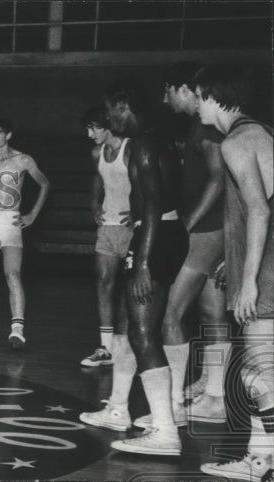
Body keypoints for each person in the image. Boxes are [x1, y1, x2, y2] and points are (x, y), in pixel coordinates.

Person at [194, 63, 274, 482]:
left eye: (198, 95)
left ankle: (265, 463)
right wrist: (237, 258)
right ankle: (259, 462)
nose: (195, 105)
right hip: (263, 262)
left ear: (213, 95)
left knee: (259, 374)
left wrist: (249, 280)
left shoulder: (237, 142)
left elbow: (260, 208)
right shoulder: (258, 131)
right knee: (261, 371)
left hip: (267, 271)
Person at [102, 78, 188, 456]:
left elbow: (152, 203)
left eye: (110, 111)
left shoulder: (143, 145)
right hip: (165, 230)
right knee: (136, 323)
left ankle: (166, 432)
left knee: (141, 331)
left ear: (124, 107)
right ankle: (131, 412)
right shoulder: (160, 138)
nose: (108, 119)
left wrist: (143, 264)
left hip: (156, 234)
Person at [153, 61, 230, 428]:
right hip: (215, 232)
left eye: (168, 91)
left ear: (184, 89)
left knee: (170, 313)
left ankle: (170, 413)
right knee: (213, 312)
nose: (165, 100)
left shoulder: (210, 128)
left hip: (205, 232)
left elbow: (218, 180)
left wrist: (187, 224)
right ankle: (215, 394)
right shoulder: (200, 127)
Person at [0, 117, 50, 348]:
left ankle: (17, 328)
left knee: (12, 274)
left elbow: (44, 184)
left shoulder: (23, 159)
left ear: (8, 135)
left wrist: (33, 214)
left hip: (11, 220)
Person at [81, 105, 132, 367]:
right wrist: (93, 204)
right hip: (107, 225)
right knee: (104, 283)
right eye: (88, 128)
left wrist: (140, 212)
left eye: (94, 127)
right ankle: (106, 347)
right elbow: (98, 178)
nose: (90, 133)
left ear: (108, 125)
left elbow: (149, 182)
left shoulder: (131, 148)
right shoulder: (96, 152)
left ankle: (124, 347)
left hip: (132, 228)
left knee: (129, 288)